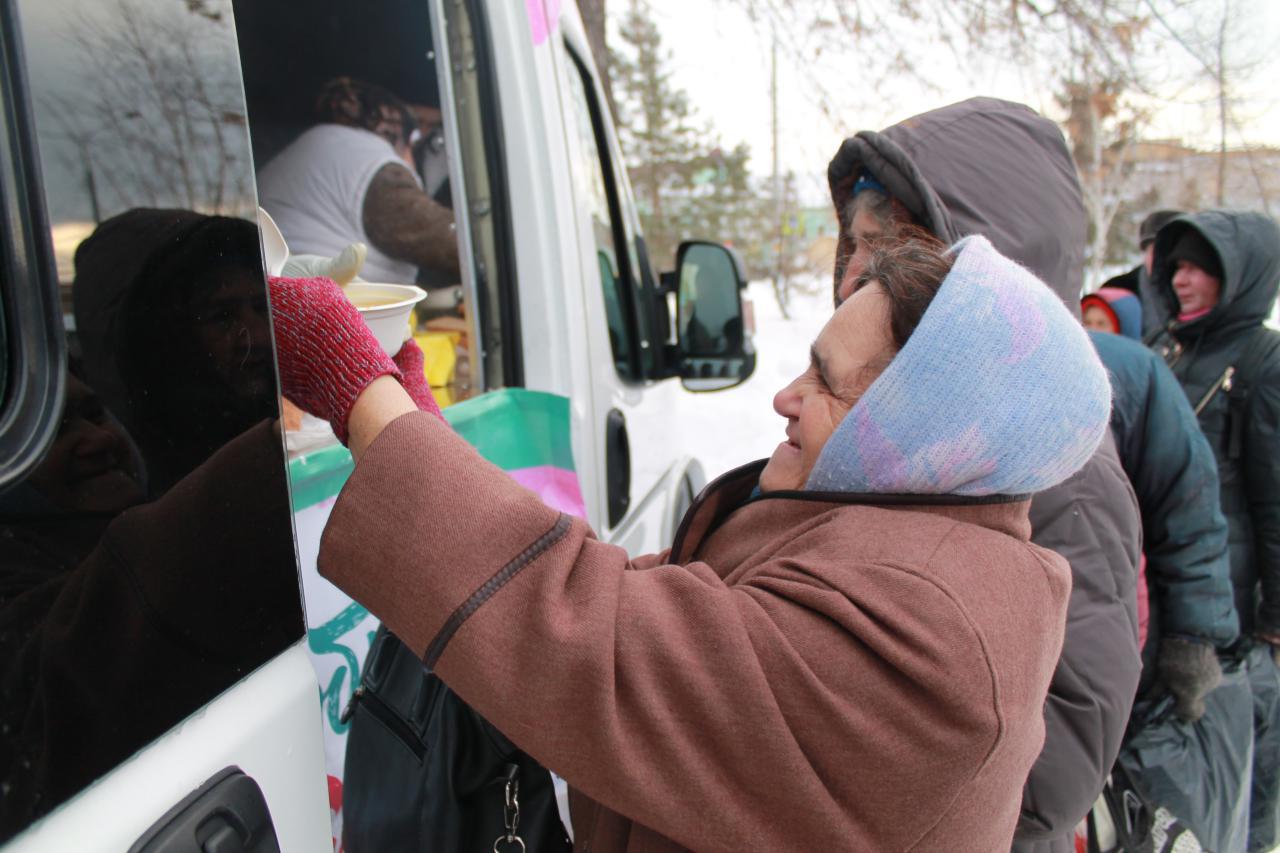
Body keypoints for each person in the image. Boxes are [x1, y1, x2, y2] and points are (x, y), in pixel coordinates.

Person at [267, 232, 1112, 851]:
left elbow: (600, 645)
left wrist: (357, 391)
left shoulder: (925, 633)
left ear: (918, 429)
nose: (784, 395)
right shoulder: (912, 539)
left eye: (824, 379)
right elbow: (649, 616)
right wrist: (413, 429)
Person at [824, 97, 1233, 853]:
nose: (853, 277)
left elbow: (1062, 760)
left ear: (983, 268)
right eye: (852, 245)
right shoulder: (889, 425)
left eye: (885, 250)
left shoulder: (1060, 472)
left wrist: (845, 777)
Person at [1147, 210, 1280, 852]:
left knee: (1242, 777)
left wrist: (1274, 619)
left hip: (1236, 609)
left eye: (1201, 267)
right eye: (1177, 265)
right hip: (1174, 595)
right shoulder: (1168, 346)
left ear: (1239, 277)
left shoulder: (1262, 361)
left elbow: (1275, 497)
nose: (1182, 280)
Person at [257, 76, 459, 285]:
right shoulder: (374, 164)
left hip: (287, 296)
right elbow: (447, 241)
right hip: (326, 305)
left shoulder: (320, 145)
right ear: (404, 136)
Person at [1102, 209, 1185, 337]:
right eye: (1156, 251)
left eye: (1170, 251)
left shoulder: (1198, 294)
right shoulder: (1117, 292)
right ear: (1145, 253)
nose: (1162, 260)